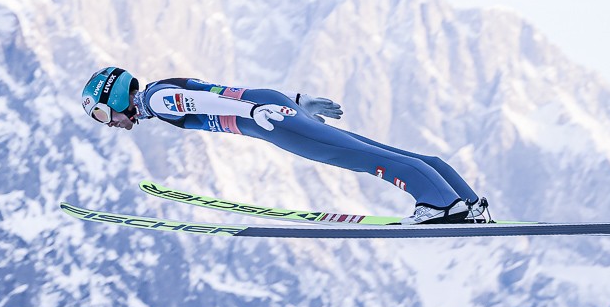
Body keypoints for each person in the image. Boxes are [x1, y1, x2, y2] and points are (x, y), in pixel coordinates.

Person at [81, 67, 489, 224]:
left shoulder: (156, 100)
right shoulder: (159, 91)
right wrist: (291, 101)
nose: (109, 123)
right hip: (271, 110)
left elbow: (209, 101)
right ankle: (464, 202)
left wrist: (257, 110)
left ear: (114, 97)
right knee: (367, 148)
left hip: (267, 120)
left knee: (359, 155)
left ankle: (438, 204)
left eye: (102, 113)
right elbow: (221, 89)